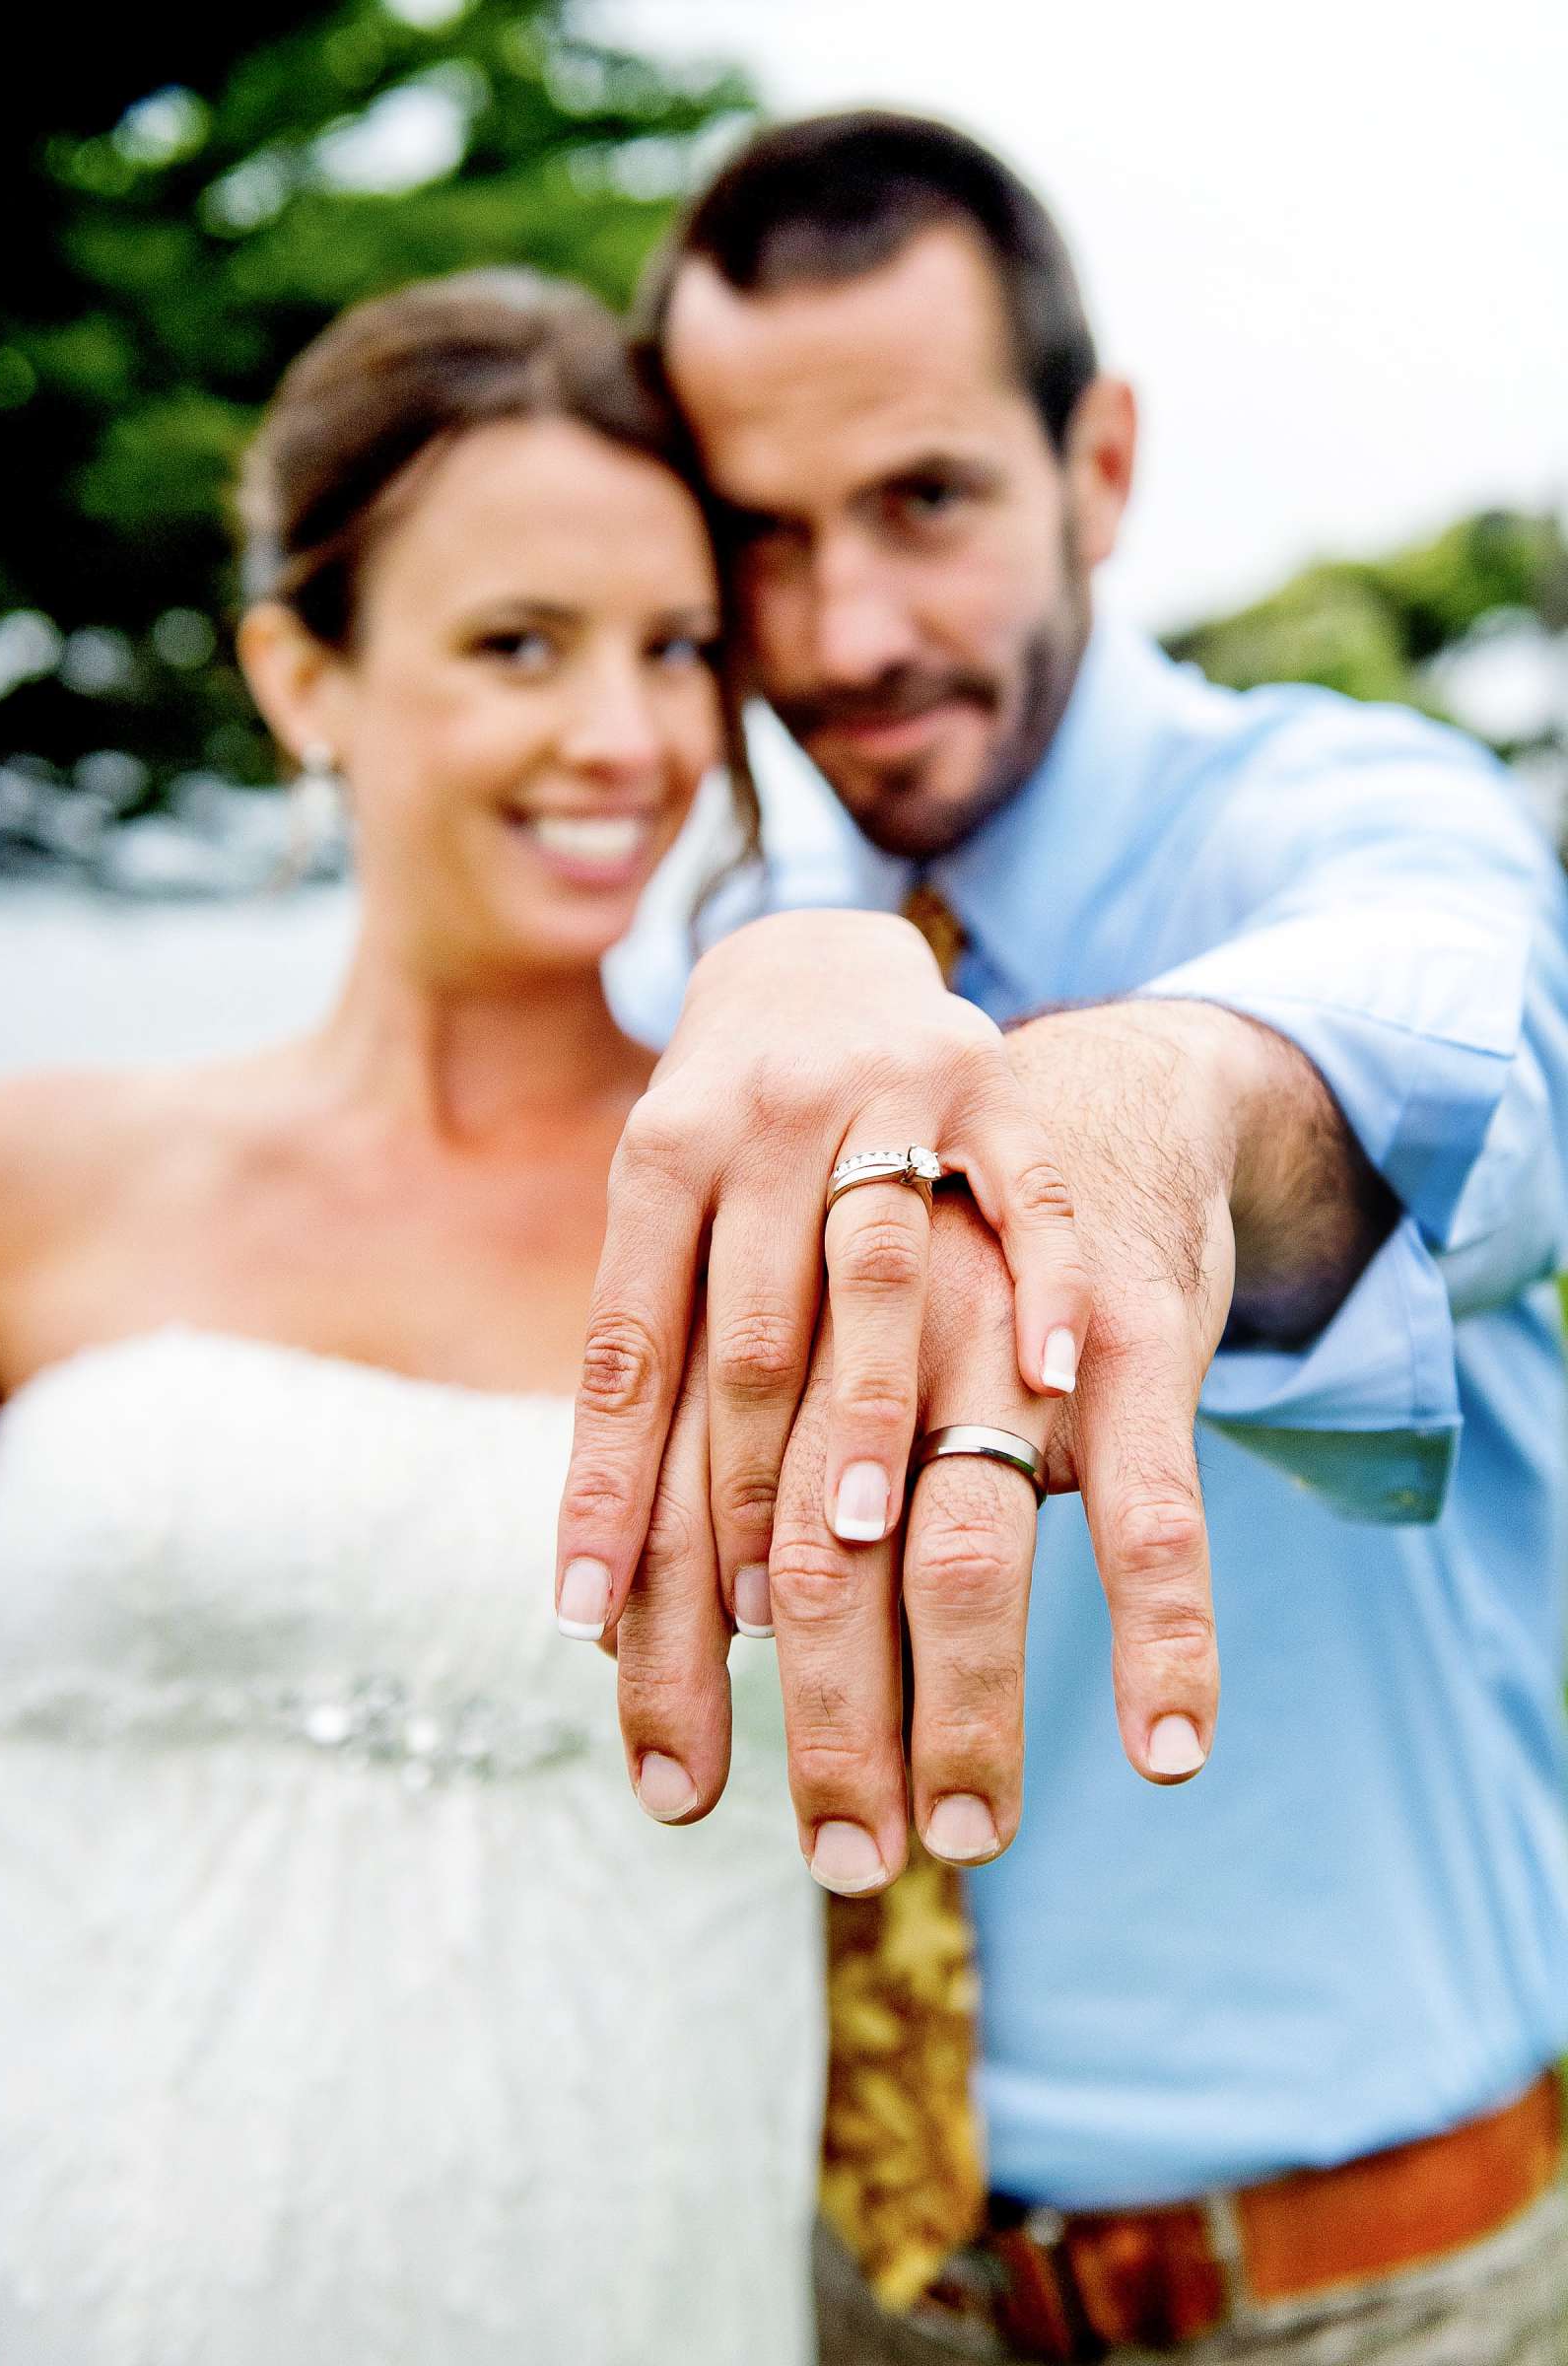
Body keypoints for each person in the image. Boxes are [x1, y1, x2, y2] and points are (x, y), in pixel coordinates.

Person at [562, 114, 1568, 2361]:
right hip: (825, 2281)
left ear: (1094, 466)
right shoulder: (701, 978)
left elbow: (1466, 1039)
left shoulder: (1332, 809)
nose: (847, 630)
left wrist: (1160, 1105)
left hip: (1364, 2294)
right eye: (762, 537)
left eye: (924, 500)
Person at [0, 272, 823, 2365]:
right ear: (303, 675)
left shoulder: (802, 1211)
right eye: (516, 645)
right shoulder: (41, 1174)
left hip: (635, 2258)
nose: (623, 739)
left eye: (675, 650)